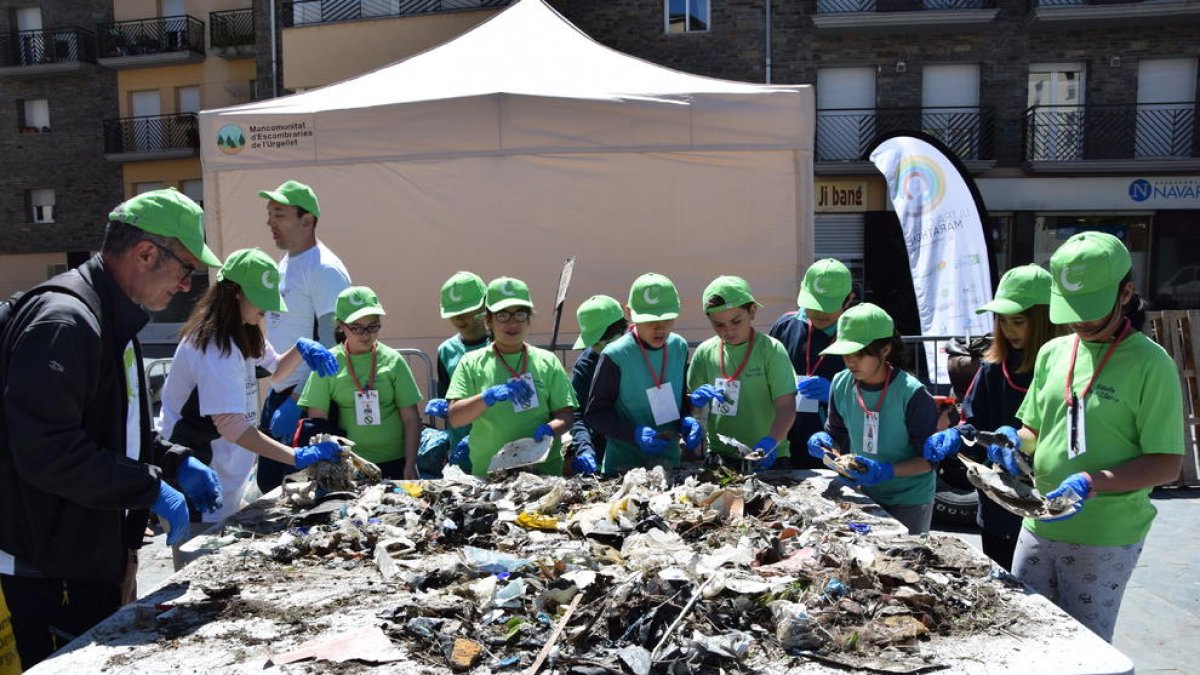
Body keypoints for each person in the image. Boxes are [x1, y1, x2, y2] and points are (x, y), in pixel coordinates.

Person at [0, 188, 224, 669]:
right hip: (46, 567)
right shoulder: (66, 322)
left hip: (84, 555)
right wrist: (147, 486)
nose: (187, 286)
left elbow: (116, 428)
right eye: (186, 270)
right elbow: (47, 452)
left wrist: (173, 460)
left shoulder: (110, 316)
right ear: (145, 253)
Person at [997, 232, 1183, 642]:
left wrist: (1091, 481)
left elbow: (1166, 463)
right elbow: (1035, 429)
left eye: (1091, 310)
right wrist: (1014, 441)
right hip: (1039, 523)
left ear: (1126, 293)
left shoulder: (1152, 365)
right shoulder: (1053, 351)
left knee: (1085, 651)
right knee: (1021, 639)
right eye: (1072, 309)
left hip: (1104, 537)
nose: (1080, 321)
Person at [158, 248, 344, 535]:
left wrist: (301, 348)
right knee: (199, 565)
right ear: (235, 293)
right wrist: (295, 456)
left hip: (229, 471)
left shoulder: (244, 330)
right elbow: (231, 425)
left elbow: (275, 370)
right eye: (261, 299)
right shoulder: (213, 345)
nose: (267, 310)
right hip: (199, 472)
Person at [922, 264, 1058, 569]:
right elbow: (975, 423)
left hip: (1049, 503)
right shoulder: (993, 367)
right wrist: (958, 436)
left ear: (1045, 319)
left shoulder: (1065, 367)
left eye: (1019, 321)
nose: (1008, 330)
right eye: (1003, 321)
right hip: (998, 501)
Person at [806, 303, 939, 535]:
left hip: (908, 500)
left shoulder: (912, 393)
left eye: (859, 353)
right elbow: (836, 434)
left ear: (885, 348)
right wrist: (825, 442)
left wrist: (886, 470)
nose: (850, 361)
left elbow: (929, 461)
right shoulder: (840, 383)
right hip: (863, 492)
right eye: (846, 353)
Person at [255, 180, 352, 493]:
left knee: (304, 498)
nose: (270, 222)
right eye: (270, 214)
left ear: (307, 220)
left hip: (309, 405)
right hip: (280, 394)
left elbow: (334, 345)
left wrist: (297, 400)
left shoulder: (325, 268)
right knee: (270, 489)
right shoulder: (284, 265)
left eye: (279, 214)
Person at [446, 277, 576, 478]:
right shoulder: (471, 363)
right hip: (490, 473)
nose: (513, 322)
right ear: (488, 321)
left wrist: (551, 429)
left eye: (520, 314)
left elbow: (565, 415)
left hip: (542, 473)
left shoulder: (548, 361)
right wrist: (486, 398)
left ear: (529, 319)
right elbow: (456, 418)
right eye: (503, 315)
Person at [299, 287, 424, 480]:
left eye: (373, 326)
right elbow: (318, 424)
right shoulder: (328, 362)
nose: (365, 334)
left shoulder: (393, 360)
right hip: (348, 464)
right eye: (356, 328)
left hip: (395, 461)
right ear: (341, 325)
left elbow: (411, 418)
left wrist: (410, 464)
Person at [585, 276, 700, 475]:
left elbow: (678, 400)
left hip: (668, 466)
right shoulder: (615, 354)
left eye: (666, 318)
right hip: (623, 470)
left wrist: (687, 420)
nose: (659, 327)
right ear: (629, 313)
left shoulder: (679, 347)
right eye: (649, 320)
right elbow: (595, 414)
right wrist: (634, 434)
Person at [688, 276, 796, 470]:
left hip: (767, 455)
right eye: (718, 325)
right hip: (721, 456)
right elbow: (694, 412)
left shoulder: (771, 350)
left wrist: (771, 441)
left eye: (736, 321)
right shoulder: (704, 353)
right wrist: (695, 406)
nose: (728, 331)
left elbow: (786, 406)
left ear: (752, 311)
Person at [770, 259, 856, 469]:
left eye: (827, 306)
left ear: (849, 300)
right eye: (813, 304)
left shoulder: (858, 335)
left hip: (838, 448)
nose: (819, 313)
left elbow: (877, 393)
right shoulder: (786, 326)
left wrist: (835, 393)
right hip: (786, 444)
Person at [423, 272, 491, 469]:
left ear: (484, 305)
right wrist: (446, 409)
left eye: (467, 311)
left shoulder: (501, 343)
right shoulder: (446, 351)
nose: (460, 318)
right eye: (454, 313)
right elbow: (449, 399)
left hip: (498, 444)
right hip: (462, 450)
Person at [569, 294, 627, 473]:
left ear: (623, 332)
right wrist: (584, 448)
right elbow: (578, 415)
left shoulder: (644, 354)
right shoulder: (585, 366)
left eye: (604, 342)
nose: (599, 348)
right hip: (604, 456)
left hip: (646, 449)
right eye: (594, 343)